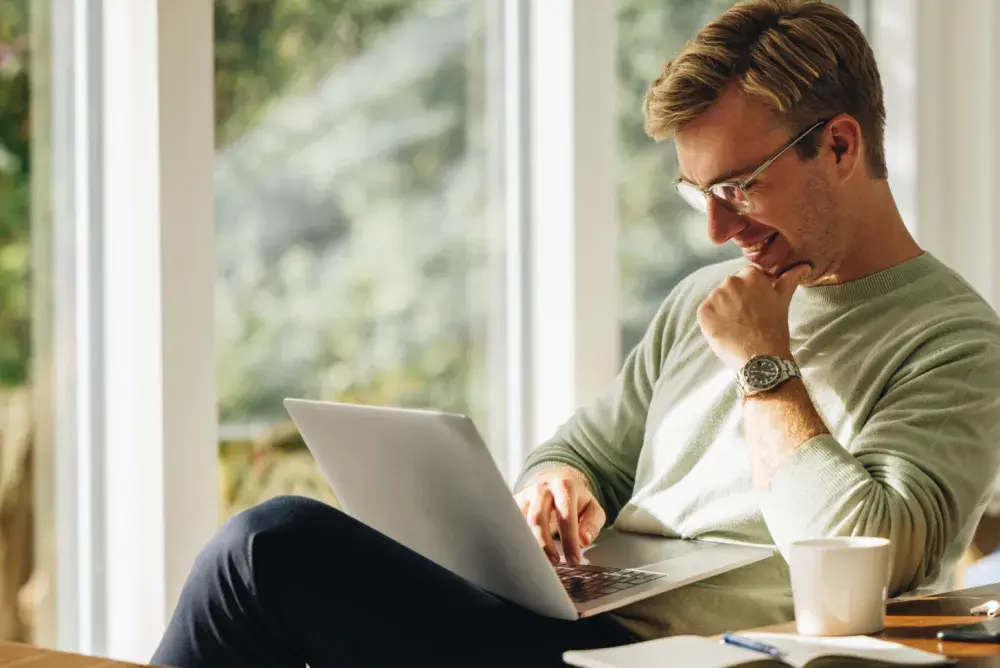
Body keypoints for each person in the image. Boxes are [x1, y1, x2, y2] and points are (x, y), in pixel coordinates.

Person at [152, 1, 1000, 666]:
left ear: (841, 146)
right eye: (694, 192)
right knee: (271, 562)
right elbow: (584, 449)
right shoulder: (705, 298)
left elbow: (873, 558)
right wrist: (554, 485)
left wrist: (764, 363)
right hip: (569, 632)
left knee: (270, 551)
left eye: (739, 187)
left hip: (697, 660)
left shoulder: (955, 341)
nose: (712, 230)